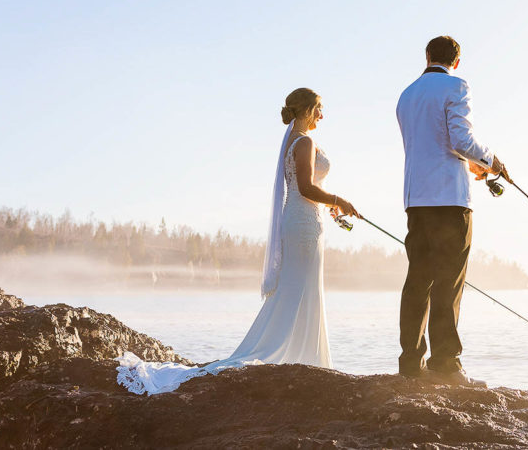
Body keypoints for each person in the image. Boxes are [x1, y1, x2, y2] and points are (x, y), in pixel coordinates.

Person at [116, 88, 360, 395]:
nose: (322, 116)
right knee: (299, 287)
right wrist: (340, 200)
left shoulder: (294, 141)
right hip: (303, 224)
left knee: (301, 287)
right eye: (319, 109)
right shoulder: (305, 141)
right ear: (308, 110)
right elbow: (305, 187)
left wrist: (329, 204)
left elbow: (307, 189)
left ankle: (304, 354)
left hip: (303, 219)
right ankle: (299, 354)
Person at [395, 35, 508, 386]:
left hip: (416, 199)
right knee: (448, 281)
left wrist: (469, 163)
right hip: (450, 200)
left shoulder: (406, 95)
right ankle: (445, 363)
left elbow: (430, 145)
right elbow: (459, 140)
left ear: (427, 56)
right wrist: (491, 161)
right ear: (456, 61)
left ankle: (411, 363)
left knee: (418, 280)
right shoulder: (457, 84)